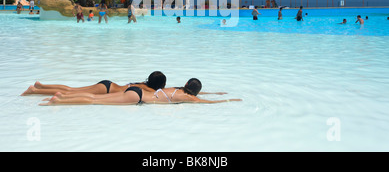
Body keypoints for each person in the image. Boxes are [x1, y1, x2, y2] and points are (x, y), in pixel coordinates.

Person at [39, 78, 241, 106]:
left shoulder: (177, 89)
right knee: (94, 101)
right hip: (136, 98)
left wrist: (216, 93)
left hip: (136, 91)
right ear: (196, 92)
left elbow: (198, 94)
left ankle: (62, 95)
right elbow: (204, 102)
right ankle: (58, 101)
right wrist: (227, 100)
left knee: (94, 97)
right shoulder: (187, 98)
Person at [21, 71, 167, 96]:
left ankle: (42, 86)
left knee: (71, 89)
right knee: (70, 92)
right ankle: (35, 91)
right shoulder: (147, 89)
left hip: (108, 84)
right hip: (106, 91)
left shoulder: (142, 83)